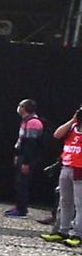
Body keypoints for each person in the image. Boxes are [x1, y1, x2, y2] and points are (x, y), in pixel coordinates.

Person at [44, 105, 81, 245]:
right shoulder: (73, 127)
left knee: (80, 204)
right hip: (67, 166)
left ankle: (78, 235)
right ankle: (62, 231)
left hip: (80, 169)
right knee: (65, 201)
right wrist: (73, 120)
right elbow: (57, 134)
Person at [5, 99, 45, 217]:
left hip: (29, 158)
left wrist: (26, 162)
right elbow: (21, 141)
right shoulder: (25, 121)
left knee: (23, 183)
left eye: (20, 105)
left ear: (24, 108)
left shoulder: (33, 123)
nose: (18, 108)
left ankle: (22, 210)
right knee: (19, 182)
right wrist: (17, 155)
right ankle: (19, 206)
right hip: (22, 156)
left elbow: (30, 144)